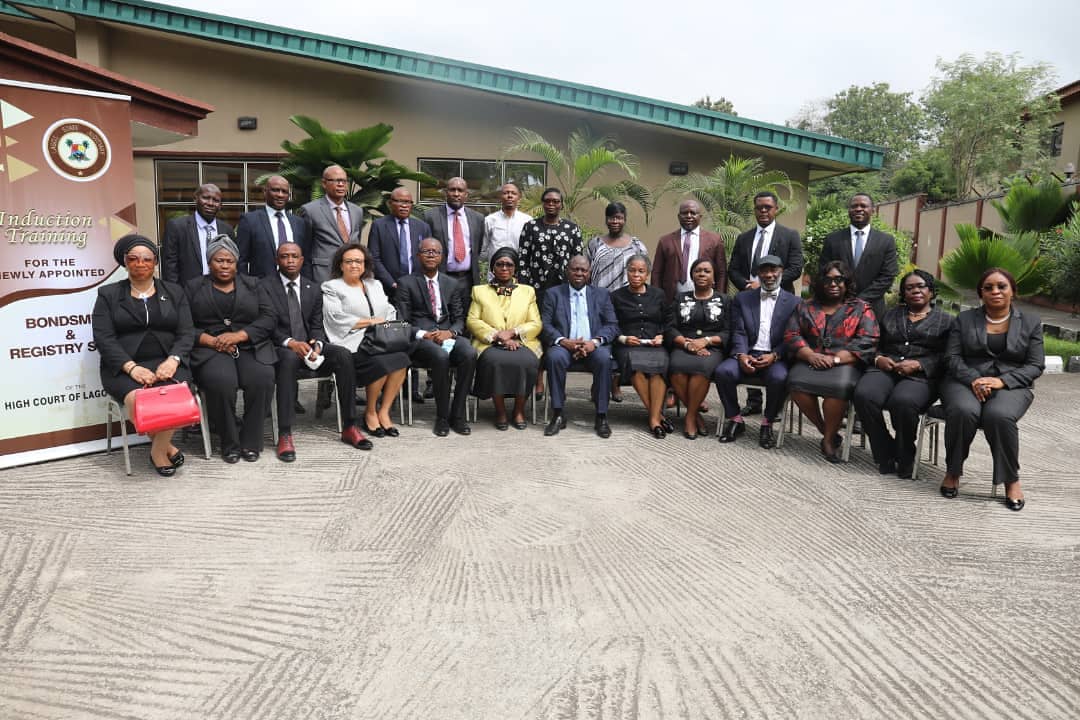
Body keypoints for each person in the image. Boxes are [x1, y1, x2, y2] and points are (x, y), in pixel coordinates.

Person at [938, 268, 1044, 511]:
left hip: (1011, 385)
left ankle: (1011, 480)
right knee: (963, 411)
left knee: (999, 415)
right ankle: (953, 471)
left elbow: (1035, 365)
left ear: (1013, 291)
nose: (995, 291)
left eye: (1001, 286)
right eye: (988, 287)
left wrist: (1002, 381)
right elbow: (952, 358)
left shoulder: (1031, 322)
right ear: (981, 293)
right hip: (964, 380)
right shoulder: (964, 320)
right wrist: (975, 379)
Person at [92, 234, 195, 476]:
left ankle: (157, 449)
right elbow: (104, 338)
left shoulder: (174, 291)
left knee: (173, 399)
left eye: (147, 259)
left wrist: (173, 360)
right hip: (124, 367)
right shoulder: (108, 295)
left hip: (168, 361)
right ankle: (164, 448)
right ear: (125, 262)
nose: (140, 263)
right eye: (134, 258)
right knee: (142, 401)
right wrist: (131, 367)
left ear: (155, 262)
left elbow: (186, 332)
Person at [261, 242, 372, 460]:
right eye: (285, 256)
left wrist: (318, 344)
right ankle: (285, 433)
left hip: (309, 345)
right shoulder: (264, 287)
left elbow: (316, 324)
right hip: (281, 347)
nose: (290, 260)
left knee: (343, 355)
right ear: (277, 260)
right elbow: (266, 324)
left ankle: (349, 426)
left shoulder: (312, 288)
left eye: (295, 256)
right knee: (288, 360)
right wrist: (290, 343)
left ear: (302, 260)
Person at [853, 269, 953, 478]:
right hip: (886, 369)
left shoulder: (947, 321)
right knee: (864, 395)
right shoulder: (890, 314)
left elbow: (949, 355)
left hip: (921, 376)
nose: (915, 291)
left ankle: (905, 452)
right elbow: (873, 343)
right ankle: (884, 450)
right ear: (903, 293)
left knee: (903, 402)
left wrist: (919, 364)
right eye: (909, 288)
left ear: (931, 291)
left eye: (921, 286)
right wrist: (878, 358)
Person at [185, 235, 277, 463]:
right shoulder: (193, 287)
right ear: (209, 262)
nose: (225, 265)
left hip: (248, 346)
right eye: (219, 260)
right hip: (210, 349)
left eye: (230, 261)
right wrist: (211, 341)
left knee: (262, 378)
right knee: (221, 382)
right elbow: (183, 325)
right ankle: (229, 442)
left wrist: (240, 335)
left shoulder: (254, 285)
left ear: (237, 263)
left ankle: (250, 441)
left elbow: (269, 317)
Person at [783, 261, 878, 463]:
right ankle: (826, 431)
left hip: (845, 363)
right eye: (827, 280)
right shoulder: (806, 306)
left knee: (838, 388)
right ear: (820, 282)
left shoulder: (861, 308)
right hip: (810, 359)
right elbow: (792, 334)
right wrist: (810, 355)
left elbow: (867, 340)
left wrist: (834, 359)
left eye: (838, 279)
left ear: (846, 282)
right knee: (795, 382)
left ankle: (827, 441)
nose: (833, 284)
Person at [726, 191, 804, 416]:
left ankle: (774, 407)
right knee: (752, 341)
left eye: (767, 207)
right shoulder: (744, 238)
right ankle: (754, 401)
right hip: (750, 299)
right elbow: (734, 268)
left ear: (776, 209)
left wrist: (765, 283)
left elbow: (795, 268)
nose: (763, 211)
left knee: (773, 344)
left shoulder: (789, 235)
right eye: (759, 207)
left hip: (779, 299)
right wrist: (747, 285)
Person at [322, 243, 411, 438]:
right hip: (352, 342)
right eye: (349, 261)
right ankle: (370, 412)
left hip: (380, 339)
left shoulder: (375, 284)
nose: (354, 265)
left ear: (365, 264)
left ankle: (383, 411)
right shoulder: (332, 287)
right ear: (341, 265)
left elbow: (388, 310)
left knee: (402, 359)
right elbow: (335, 317)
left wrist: (386, 323)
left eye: (358, 261)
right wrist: (370, 321)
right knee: (381, 363)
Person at [713, 255, 799, 449]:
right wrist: (742, 355)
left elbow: (792, 337)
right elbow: (739, 331)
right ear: (758, 273)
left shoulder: (794, 302)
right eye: (764, 271)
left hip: (775, 356)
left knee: (779, 378)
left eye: (773, 270)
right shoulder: (742, 299)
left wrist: (774, 355)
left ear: (781, 271)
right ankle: (735, 419)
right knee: (723, 372)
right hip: (748, 352)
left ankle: (767, 423)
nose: (769, 275)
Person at [396, 238, 477, 437]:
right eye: (427, 251)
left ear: (442, 257)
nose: (431, 255)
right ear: (418, 256)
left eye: (436, 252)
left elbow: (459, 319)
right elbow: (402, 321)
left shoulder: (452, 283)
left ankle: (457, 415)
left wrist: (451, 332)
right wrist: (424, 334)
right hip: (421, 339)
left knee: (469, 353)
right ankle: (442, 417)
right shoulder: (406, 283)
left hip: (447, 335)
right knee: (440, 356)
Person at [540, 255, 620, 438]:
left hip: (593, 346)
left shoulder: (601, 294)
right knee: (554, 357)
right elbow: (545, 324)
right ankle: (558, 414)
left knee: (604, 359)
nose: (579, 273)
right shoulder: (553, 294)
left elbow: (612, 325)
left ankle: (601, 416)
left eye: (583, 270)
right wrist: (563, 341)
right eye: (575, 269)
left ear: (589, 273)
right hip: (564, 345)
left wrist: (594, 342)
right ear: (567, 271)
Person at [518, 187, 584, 401]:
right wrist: (526, 289)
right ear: (543, 203)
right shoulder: (531, 227)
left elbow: (578, 260)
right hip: (537, 290)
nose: (551, 204)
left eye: (556, 201)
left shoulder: (571, 229)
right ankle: (538, 378)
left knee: (559, 333)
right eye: (548, 201)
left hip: (564, 292)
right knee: (538, 334)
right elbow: (523, 259)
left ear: (561, 204)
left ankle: (558, 383)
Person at [467, 247, 542, 431]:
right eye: (499, 264)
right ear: (493, 268)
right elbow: (472, 320)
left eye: (509, 264)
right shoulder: (479, 291)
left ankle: (519, 410)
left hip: (521, 342)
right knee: (495, 362)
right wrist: (497, 336)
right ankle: (500, 411)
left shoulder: (528, 291)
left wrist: (513, 332)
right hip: (490, 343)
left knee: (527, 362)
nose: (504, 268)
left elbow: (536, 323)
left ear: (515, 268)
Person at [665, 258, 731, 439]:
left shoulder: (725, 300)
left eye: (707, 271)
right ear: (692, 275)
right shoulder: (680, 298)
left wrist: (706, 341)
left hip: (712, 348)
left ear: (714, 277)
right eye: (698, 271)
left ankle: (690, 417)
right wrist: (688, 344)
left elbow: (728, 332)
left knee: (700, 369)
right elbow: (670, 327)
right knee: (676, 367)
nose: (702, 274)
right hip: (684, 345)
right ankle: (695, 415)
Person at [610, 253, 673, 437]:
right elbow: (610, 324)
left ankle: (654, 418)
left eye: (641, 271)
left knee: (657, 369)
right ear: (626, 272)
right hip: (628, 346)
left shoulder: (658, 295)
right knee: (636, 368)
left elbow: (668, 321)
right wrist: (623, 338)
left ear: (647, 274)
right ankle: (657, 418)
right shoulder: (616, 296)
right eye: (632, 270)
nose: (636, 275)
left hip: (654, 344)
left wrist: (662, 336)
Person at [818, 193, 898, 321]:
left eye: (863, 206)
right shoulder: (832, 239)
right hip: (837, 307)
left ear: (872, 210)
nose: (858, 209)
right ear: (849, 210)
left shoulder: (886, 241)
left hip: (872, 309)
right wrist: (844, 298)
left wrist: (859, 300)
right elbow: (824, 271)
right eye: (854, 206)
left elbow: (888, 275)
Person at [651, 199, 727, 304]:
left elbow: (721, 272)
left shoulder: (714, 240)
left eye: (693, 213)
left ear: (700, 216)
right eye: (684, 213)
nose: (689, 216)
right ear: (678, 216)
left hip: (706, 298)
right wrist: (657, 299)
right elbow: (656, 272)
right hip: (672, 299)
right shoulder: (665, 241)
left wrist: (719, 298)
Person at [236, 175, 310, 278]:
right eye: (275, 190)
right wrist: (246, 284)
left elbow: (305, 259)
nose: (280, 195)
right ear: (265, 192)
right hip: (260, 284)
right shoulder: (250, 220)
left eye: (284, 191)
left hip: (293, 284)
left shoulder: (299, 223)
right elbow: (241, 260)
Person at [162, 183, 234, 285]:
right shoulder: (177, 226)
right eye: (206, 198)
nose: (210, 203)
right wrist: (174, 291)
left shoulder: (227, 230)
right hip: (187, 290)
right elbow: (169, 265)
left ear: (220, 205)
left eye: (216, 200)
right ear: (195, 199)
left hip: (220, 288)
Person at [302, 165, 362, 284]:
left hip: (352, 275)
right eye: (336, 180)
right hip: (324, 275)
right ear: (324, 184)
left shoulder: (357, 211)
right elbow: (305, 249)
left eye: (344, 181)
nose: (341, 184)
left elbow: (356, 241)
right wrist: (308, 282)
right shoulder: (310, 210)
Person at [423, 176, 485, 293]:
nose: (456, 194)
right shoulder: (431, 216)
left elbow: (478, 248)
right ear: (446, 193)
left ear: (466, 194)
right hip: (441, 278)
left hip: (468, 280)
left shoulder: (478, 218)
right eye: (452, 190)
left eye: (460, 190)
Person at [369, 187, 432, 299]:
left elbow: (428, 257)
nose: (404, 205)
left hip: (417, 287)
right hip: (388, 288)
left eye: (408, 202)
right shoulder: (379, 225)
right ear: (390, 203)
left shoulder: (422, 227)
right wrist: (391, 283)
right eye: (399, 201)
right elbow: (374, 258)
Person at [587, 202, 648, 293]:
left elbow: (643, 274)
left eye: (619, 218)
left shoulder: (636, 246)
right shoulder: (595, 244)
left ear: (625, 220)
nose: (615, 221)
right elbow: (587, 273)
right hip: (599, 297)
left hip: (627, 298)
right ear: (606, 220)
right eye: (611, 218)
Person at [481, 183, 532, 264]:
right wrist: (494, 258)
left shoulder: (527, 221)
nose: (510, 196)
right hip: (495, 269)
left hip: (519, 269)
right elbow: (482, 249)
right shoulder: (489, 220)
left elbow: (531, 248)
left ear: (519, 198)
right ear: (500, 197)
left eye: (513, 193)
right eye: (506, 193)